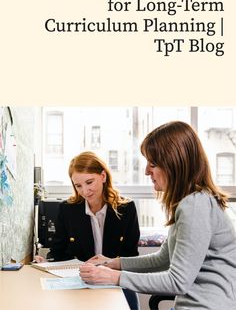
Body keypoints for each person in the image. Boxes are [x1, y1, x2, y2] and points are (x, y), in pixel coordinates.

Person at [79, 122, 236, 310]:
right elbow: (164, 259)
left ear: (174, 163)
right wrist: (113, 263)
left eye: (152, 164)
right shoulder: (192, 202)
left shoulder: (195, 206)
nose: (146, 171)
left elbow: (177, 281)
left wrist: (114, 277)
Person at [35, 151, 140, 310]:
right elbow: (58, 252)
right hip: (81, 284)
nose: (85, 191)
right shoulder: (67, 209)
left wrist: (110, 264)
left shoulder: (126, 209)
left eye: (89, 182)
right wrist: (47, 263)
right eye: (78, 186)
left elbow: (132, 256)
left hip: (114, 282)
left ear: (103, 176)